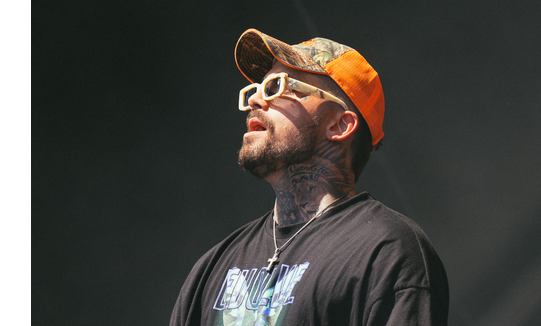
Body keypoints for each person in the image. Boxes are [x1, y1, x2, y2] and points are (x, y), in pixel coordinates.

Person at [170, 29, 449, 326]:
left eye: (278, 86)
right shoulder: (212, 267)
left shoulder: (387, 250)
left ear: (339, 125)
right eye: (258, 87)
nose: (255, 99)